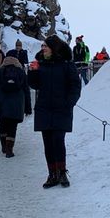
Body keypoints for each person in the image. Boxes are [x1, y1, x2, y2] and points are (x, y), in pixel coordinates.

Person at [27, 34, 82, 188]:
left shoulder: (67, 65)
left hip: (61, 108)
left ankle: (62, 172)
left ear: (53, 48)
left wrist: (69, 103)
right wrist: (33, 72)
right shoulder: (41, 63)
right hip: (44, 108)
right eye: (42, 46)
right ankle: (52, 174)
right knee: (48, 143)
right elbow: (35, 85)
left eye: (45, 46)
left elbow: (75, 86)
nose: (43, 48)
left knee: (58, 140)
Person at [0, 55, 29, 157]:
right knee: (13, 126)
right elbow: (26, 90)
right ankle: (9, 149)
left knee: (2, 124)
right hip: (17, 103)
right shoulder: (21, 72)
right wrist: (28, 108)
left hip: (1, 102)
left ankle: (4, 146)